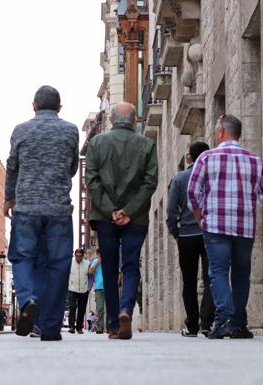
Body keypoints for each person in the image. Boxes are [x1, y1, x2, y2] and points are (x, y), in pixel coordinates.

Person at [187, 114, 263, 339]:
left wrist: (200, 218)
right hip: (245, 227)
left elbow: (192, 192)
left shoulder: (206, 158)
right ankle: (238, 323)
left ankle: (224, 320)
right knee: (241, 274)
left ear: (221, 132)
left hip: (216, 226)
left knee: (217, 271)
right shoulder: (255, 160)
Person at [5, 85, 79, 341]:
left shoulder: (21, 131)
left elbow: (12, 166)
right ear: (59, 107)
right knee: (58, 265)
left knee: (23, 257)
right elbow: (71, 168)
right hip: (58, 209)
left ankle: (27, 300)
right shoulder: (70, 130)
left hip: (26, 208)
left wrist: (8, 199)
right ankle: (50, 328)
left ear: (33, 105)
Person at [85, 102, 158, 340]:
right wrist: (128, 210)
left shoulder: (96, 143)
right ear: (135, 121)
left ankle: (114, 324)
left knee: (108, 267)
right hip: (135, 218)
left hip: (105, 218)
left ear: (111, 120)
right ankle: (127, 308)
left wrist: (111, 210)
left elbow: (92, 181)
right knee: (130, 264)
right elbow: (150, 182)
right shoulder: (147, 145)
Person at [167, 141, 215, 337]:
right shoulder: (213, 177)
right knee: (211, 277)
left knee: (188, 281)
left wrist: (175, 231)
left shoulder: (179, 179)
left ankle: (192, 325)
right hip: (210, 233)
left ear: (189, 157)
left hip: (186, 235)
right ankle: (207, 322)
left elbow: (171, 210)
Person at [67, 248, 90, 334]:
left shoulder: (87, 264)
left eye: (80, 256)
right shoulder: (70, 263)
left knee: (82, 309)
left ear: (83, 256)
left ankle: (79, 327)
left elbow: (90, 275)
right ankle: (71, 326)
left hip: (84, 289)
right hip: (72, 289)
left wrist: (89, 287)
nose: (78, 258)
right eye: (76, 256)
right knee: (72, 307)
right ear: (74, 255)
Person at [88, 250, 105, 334]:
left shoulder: (111, 259)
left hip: (109, 287)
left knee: (110, 308)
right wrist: (98, 262)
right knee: (100, 308)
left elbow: (118, 271)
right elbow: (90, 271)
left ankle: (111, 326)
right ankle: (100, 326)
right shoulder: (95, 261)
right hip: (98, 287)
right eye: (99, 253)